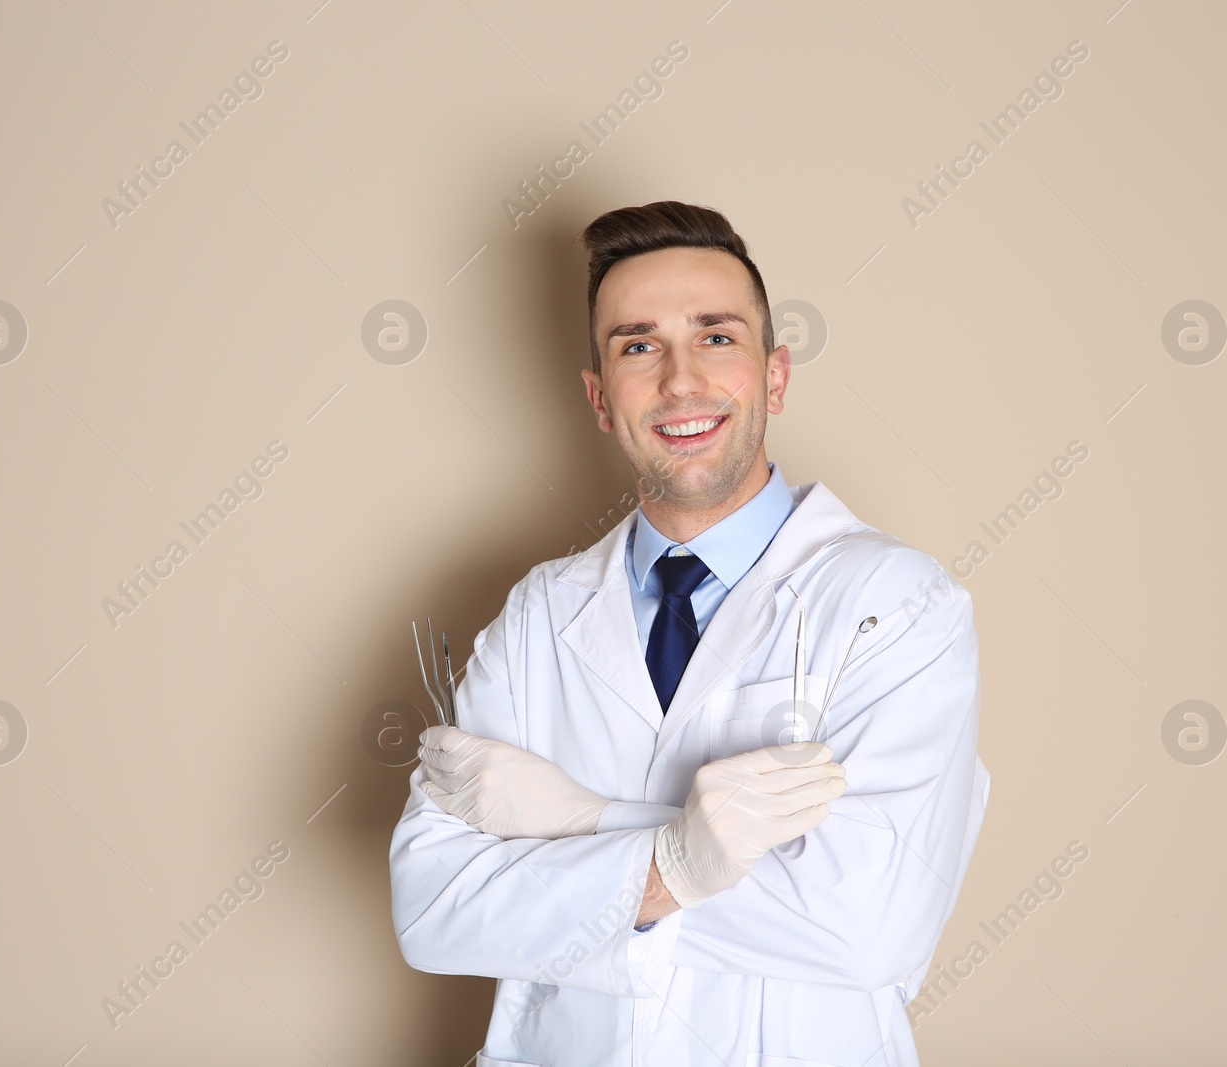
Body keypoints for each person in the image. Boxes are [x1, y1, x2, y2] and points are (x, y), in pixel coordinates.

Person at [389, 201, 989, 1067]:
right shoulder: (538, 617)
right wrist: (686, 858)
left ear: (775, 376)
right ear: (600, 397)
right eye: (638, 345)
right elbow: (434, 908)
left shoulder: (896, 604)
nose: (679, 380)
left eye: (716, 337)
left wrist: (581, 824)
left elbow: (867, 927)